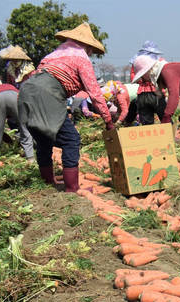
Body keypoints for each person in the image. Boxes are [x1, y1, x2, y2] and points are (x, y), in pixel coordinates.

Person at [18, 23, 113, 193]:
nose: (91, 53)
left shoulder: (51, 56)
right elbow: (95, 93)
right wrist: (108, 120)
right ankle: (72, 188)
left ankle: (47, 182)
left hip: (27, 90)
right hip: (47, 93)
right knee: (71, 139)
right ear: (87, 46)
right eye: (91, 49)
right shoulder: (81, 58)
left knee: (44, 139)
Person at [0, 84, 34, 161]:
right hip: (15, 96)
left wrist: (0, 133)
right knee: (24, 127)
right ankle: (30, 157)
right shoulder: (11, 87)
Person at [125, 41, 166, 125]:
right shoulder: (160, 60)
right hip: (157, 93)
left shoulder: (137, 61)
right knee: (165, 118)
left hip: (143, 94)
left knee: (147, 122)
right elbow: (164, 75)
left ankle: (149, 138)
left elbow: (133, 77)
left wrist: (142, 79)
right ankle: (169, 136)